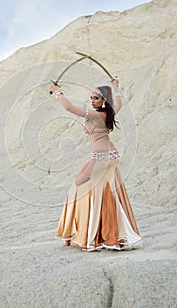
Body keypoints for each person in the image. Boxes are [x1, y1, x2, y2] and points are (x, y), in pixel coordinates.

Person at [49, 79, 143, 252]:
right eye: (91, 98)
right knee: (94, 191)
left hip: (103, 158)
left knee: (80, 188)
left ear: (104, 101)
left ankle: (93, 236)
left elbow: (69, 108)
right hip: (104, 156)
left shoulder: (97, 115)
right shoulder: (108, 112)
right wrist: (115, 87)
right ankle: (81, 234)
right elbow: (119, 102)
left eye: (96, 98)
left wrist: (56, 91)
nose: (92, 101)